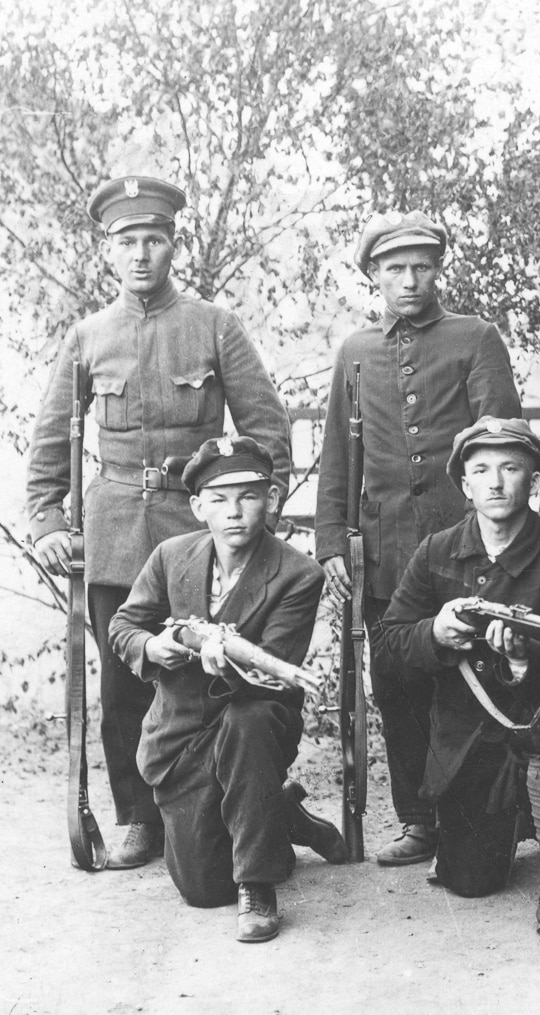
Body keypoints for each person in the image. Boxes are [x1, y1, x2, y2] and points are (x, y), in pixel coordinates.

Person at [26, 177, 292, 870]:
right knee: (123, 683)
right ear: (108, 251)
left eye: (153, 239)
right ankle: (139, 816)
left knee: (212, 671)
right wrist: (50, 519)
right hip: (113, 531)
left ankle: (226, 801)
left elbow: (266, 425)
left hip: (196, 533)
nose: (141, 253)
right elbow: (51, 440)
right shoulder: (88, 337)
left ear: (174, 243)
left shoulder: (212, 326)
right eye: (127, 242)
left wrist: (259, 512)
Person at [316, 212, 522, 867]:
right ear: (374, 275)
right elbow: (336, 460)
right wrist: (329, 544)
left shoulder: (474, 338)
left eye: (420, 267)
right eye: (394, 269)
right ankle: (418, 819)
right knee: (398, 683)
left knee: (468, 681)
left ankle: (477, 813)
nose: (408, 280)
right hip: (385, 554)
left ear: (438, 270)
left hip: (464, 548)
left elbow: (503, 445)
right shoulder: (355, 352)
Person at [107, 437, 347, 943]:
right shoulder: (170, 555)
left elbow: (269, 673)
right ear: (197, 506)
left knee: (249, 719)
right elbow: (123, 626)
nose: (234, 512)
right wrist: (155, 646)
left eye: (249, 496)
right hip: (181, 737)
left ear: (274, 499)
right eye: (218, 499)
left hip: (254, 724)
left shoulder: (297, 575)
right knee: (204, 888)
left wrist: (221, 656)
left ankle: (259, 886)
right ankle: (280, 813)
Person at [379, 418, 540, 935]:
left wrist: (528, 659)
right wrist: (435, 632)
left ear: (535, 480)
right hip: (469, 732)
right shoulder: (437, 550)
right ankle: (512, 821)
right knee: (472, 882)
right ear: (465, 485)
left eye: (511, 468)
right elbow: (389, 644)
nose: (497, 482)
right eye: (481, 470)